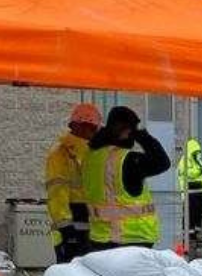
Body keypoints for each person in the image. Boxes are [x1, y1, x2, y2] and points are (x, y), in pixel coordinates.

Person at [81, 105, 169, 250]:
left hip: (99, 236)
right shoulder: (125, 159)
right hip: (131, 238)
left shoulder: (91, 156)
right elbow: (162, 162)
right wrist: (143, 136)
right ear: (125, 130)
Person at [45, 102, 102, 261]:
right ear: (79, 126)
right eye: (91, 127)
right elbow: (57, 192)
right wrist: (65, 227)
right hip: (71, 227)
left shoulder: (93, 152)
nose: (92, 132)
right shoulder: (61, 152)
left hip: (89, 228)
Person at [176, 135, 202, 241]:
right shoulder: (184, 161)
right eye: (196, 152)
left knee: (198, 213)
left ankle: (196, 232)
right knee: (189, 213)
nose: (198, 154)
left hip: (199, 192)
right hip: (189, 192)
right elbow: (189, 174)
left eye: (198, 152)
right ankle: (188, 233)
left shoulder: (197, 161)